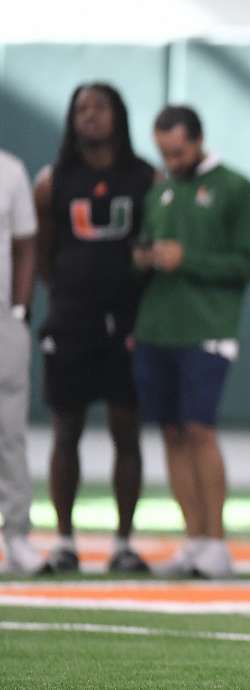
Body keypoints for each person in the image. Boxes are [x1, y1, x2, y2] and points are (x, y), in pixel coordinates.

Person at [132, 105, 250, 578]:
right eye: (164, 152)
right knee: (170, 432)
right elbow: (147, 248)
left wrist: (187, 258)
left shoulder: (235, 188)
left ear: (198, 140)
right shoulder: (161, 189)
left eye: (178, 150)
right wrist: (147, 259)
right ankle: (192, 539)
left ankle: (215, 542)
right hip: (155, 329)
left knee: (199, 430)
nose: (171, 159)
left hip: (207, 330)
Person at [32, 83, 156, 574]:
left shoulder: (146, 177)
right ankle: (64, 540)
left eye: (99, 107)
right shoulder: (52, 179)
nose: (89, 116)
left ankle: (123, 542)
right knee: (67, 430)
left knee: (127, 431)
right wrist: (69, 293)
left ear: (118, 116)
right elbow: (44, 255)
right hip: (72, 319)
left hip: (127, 320)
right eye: (81, 108)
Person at [0, 147, 42, 575]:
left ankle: (16, 536)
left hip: (1, 319)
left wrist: (19, 310)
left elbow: (26, 244)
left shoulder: (10, 170)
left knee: (9, 431)